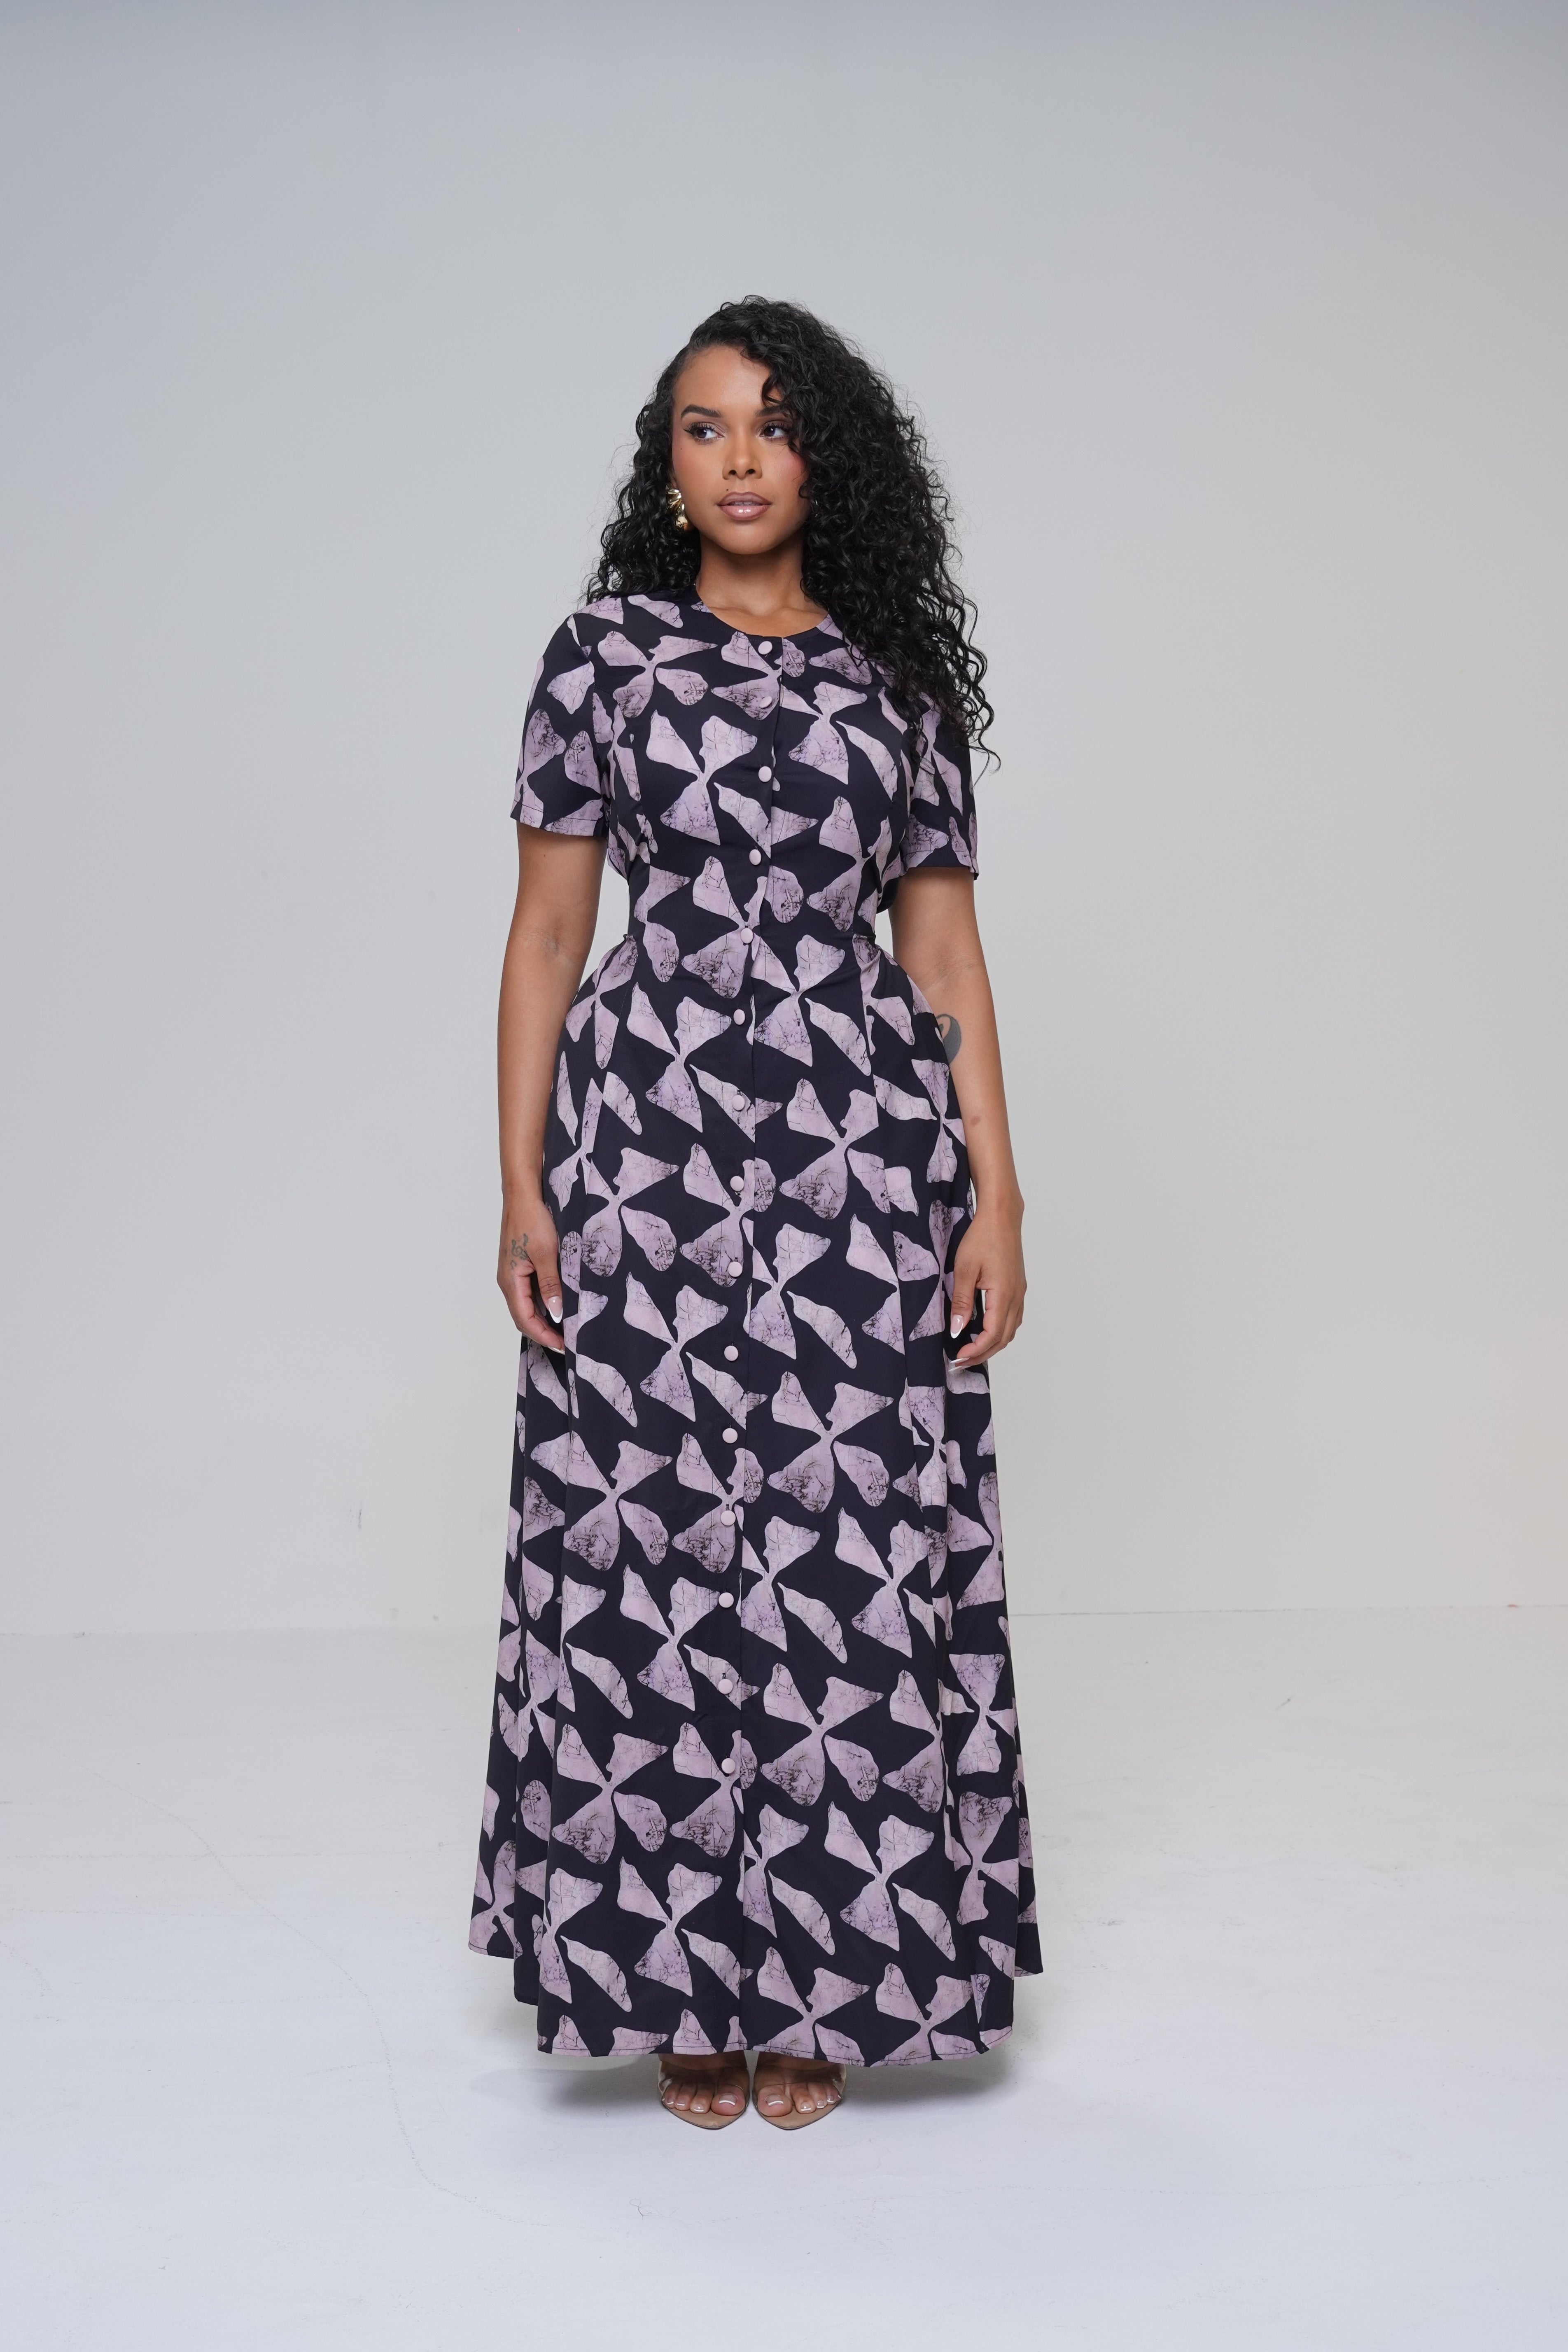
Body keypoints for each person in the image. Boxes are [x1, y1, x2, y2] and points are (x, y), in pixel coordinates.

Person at [470, 299, 1040, 2130]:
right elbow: (549, 937)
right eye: (702, 428)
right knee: (647, 1548)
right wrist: (521, 1184)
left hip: (859, 1157)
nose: (736, 459)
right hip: (645, 1151)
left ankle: (820, 1982)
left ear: (825, 460)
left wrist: (997, 1197)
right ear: (666, 465)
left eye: (773, 427)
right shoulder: (604, 658)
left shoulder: (895, 684)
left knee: (842, 1552)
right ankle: (679, 1985)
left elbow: (942, 953)